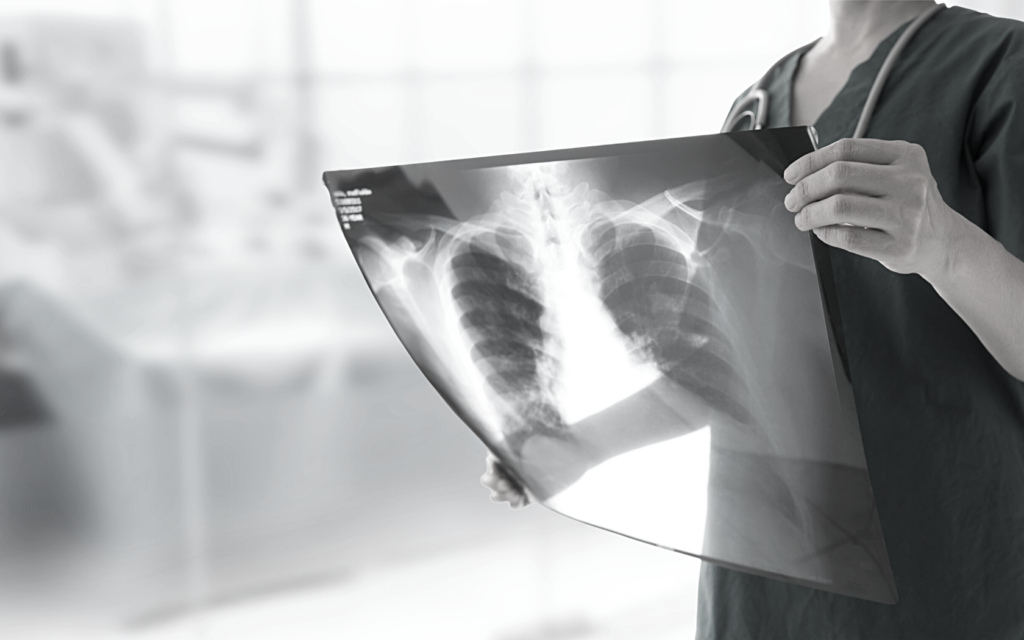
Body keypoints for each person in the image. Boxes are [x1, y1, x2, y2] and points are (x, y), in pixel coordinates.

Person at [484, 1, 1024, 637]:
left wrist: (945, 244)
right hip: (757, 583)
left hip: (940, 570)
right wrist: (576, 446)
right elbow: (734, 367)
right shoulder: (757, 102)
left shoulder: (1001, 68)